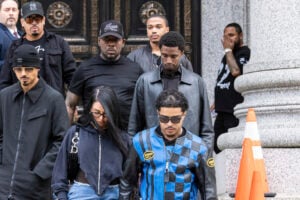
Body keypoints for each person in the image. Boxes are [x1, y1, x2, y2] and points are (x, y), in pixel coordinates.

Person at [120, 89, 217, 200]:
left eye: (175, 119)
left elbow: (209, 189)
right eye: (164, 119)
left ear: (184, 114)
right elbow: (127, 182)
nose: (169, 124)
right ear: (158, 113)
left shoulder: (199, 147)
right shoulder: (141, 141)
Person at [0, 44, 69, 199]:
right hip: (3, 185)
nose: (23, 74)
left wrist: (39, 172)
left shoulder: (53, 99)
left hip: (35, 187)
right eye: (19, 69)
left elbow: (62, 141)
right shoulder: (4, 97)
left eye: (28, 69)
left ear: (37, 68)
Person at [52, 85, 130, 200]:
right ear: (89, 110)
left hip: (114, 193)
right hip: (81, 192)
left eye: (105, 114)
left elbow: (130, 176)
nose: (101, 119)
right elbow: (59, 173)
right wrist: (61, 196)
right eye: (96, 112)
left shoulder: (123, 138)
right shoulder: (75, 133)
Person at [65, 20, 143, 129]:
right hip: (92, 133)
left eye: (115, 40)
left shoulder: (135, 69)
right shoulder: (85, 68)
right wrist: (65, 138)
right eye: (107, 39)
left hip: (124, 134)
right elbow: (70, 104)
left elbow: (143, 105)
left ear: (123, 42)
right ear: (99, 41)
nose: (111, 44)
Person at [0, 1, 76, 96]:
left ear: (43, 20)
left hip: (52, 103)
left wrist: (70, 103)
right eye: (29, 20)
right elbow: (5, 81)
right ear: (22, 22)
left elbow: (72, 77)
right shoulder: (15, 47)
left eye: (38, 19)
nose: (34, 23)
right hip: (23, 103)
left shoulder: (59, 43)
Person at [212, 22, 250, 153]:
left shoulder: (244, 52)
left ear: (240, 36)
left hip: (233, 111)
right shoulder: (227, 55)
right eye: (225, 36)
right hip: (221, 110)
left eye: (231, 35)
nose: (228, 39)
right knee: (217, 147)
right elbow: (224, 78)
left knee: (230, 149)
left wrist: (227, 50)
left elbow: (235, 71)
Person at [127, 14, 193, 72]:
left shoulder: (180, 57)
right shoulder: (134, 57)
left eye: (158, 27)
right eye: (150, 27)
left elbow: (189, 81)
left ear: (167, 30)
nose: (153, 31)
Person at [0, 0, 21, 71]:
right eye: (7, 10)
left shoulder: (23, 34)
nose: (11, 13)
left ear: (18, 12)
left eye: (14, 10)